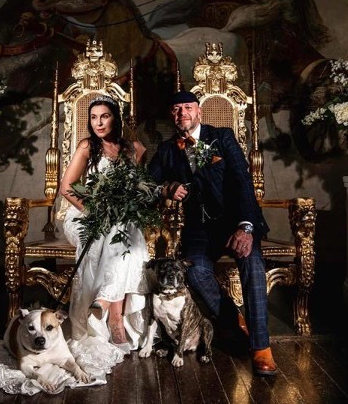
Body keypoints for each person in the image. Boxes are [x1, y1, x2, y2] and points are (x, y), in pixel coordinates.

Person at [148, 90, 279, 376]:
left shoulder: (223, 137)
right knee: (194, 272)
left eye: (187, 107)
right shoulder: (168, 149)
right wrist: (166, 188)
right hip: (200, 230)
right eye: (176, 109)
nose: (182, 113)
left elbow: (243, 182)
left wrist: (246, 227)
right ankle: (233, 321)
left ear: (199, 112)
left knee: (253, 264)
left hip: (236, 223)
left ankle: (261, 349)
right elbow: (147, 184)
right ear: (172, 115)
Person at [59, 95, 150, 352]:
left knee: (127, 236)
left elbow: (140, 188)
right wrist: (92, 210)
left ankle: (110, 307)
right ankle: (113, 316)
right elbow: (66, 188)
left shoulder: (133, 148)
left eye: (105, 116)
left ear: (115, 119)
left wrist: (129, 205)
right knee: (110, 234)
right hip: (83, 216)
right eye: (94, 117)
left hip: (120, 217)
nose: (99, 123)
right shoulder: (88, 146)